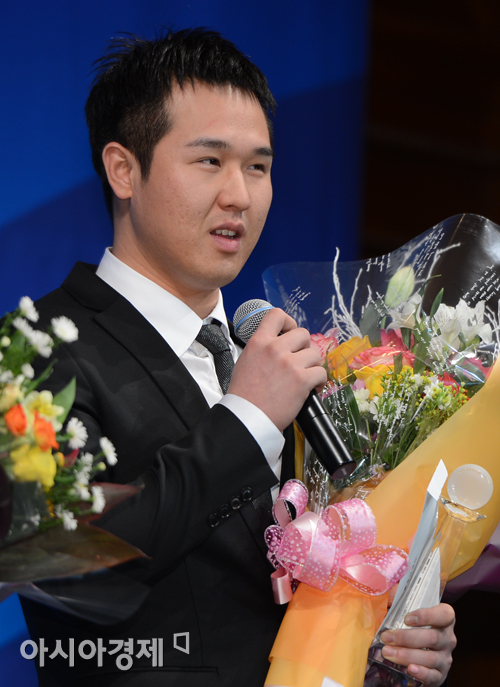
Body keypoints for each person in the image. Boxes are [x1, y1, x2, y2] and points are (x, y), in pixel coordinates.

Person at [21, 28, 455, 687]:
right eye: (209, 161)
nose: (240, 196)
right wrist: (248, 419)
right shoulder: (39, 352)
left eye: (257, 166)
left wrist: (384, 643)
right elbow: (65, 566)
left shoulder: (278, 354)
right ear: (123, 169)